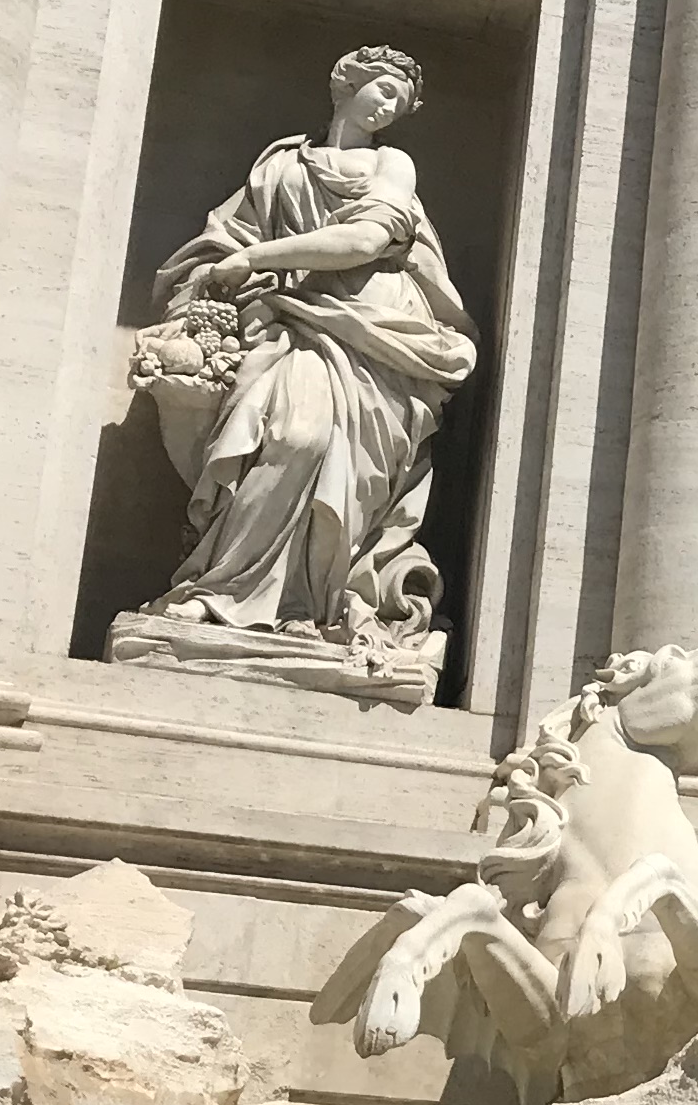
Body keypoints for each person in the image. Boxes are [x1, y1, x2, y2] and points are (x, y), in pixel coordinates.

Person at [133, 44, 475, 657]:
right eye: (382, 87)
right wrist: (222, 275)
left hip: (376, 334)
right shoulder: (281, 166)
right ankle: (223, 591)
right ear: (345, 84)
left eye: (401, 97)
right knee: (290, 437)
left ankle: (309, 606)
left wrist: (258, 259)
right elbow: (220, 245)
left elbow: (367, 238)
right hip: (288, 320)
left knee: (334, 456)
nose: (390, 104)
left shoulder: (393, 164)